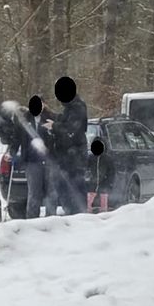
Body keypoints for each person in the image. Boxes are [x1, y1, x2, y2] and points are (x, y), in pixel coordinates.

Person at [44, 76, 88, 215]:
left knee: (72, 190)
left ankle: (76, 215)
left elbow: (71, 130)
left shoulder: (77, 107)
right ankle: (73, 212)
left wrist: (54, 126)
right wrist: (49, 113)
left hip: (74, 157)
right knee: (64, 189)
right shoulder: (71, 108)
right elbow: (64, 121)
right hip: (67, 157)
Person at [8, 94, 55, 219]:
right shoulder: (24, 120)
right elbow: (16, 138)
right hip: (31, 161)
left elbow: (58, 138)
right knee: (34, 193)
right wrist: (12, 151)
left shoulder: (51, 118)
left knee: (51, 192)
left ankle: (51, 220)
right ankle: (32, 221)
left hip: (49, 160)